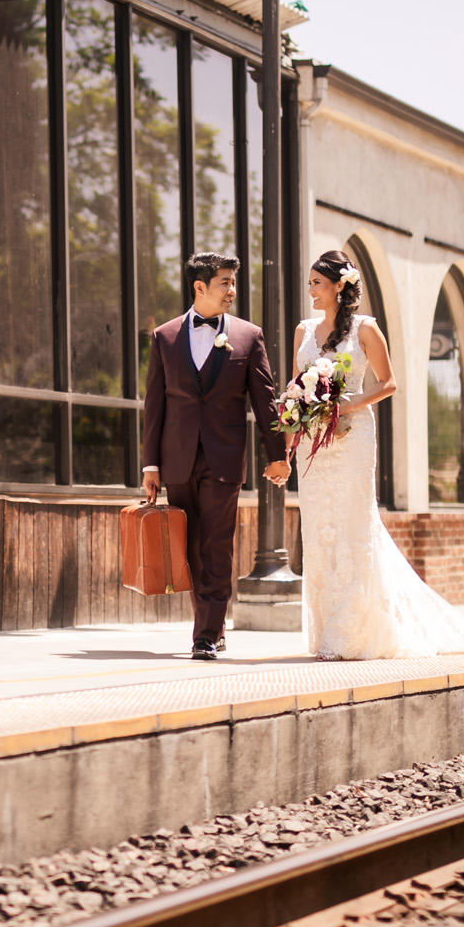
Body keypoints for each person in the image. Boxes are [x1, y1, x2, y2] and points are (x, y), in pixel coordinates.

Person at [273, 250, 464, 660]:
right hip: (314, 442)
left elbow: (389, 383)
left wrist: (346, 404)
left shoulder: (366, 330)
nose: (310, 289)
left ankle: (348, 632)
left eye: (316, 282)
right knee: (319, 530)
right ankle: (327, 625)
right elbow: (296, 387)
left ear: (338, 287)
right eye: (310, 282)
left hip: (351, 437)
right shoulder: (303, 331)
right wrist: (289, 444)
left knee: (351, 526)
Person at [140, 252, 288, 661]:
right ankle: (215, 625)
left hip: (224, 458)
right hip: (177, 459)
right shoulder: (165, 337)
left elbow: (266, 400)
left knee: (217, 545)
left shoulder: (248, 335)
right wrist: (150, 465)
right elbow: (155, 405)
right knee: (190, 546)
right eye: (225, 283)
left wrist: (276, 455)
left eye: (233, 283)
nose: (232, 291)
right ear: (199, 287)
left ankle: (204, 635)